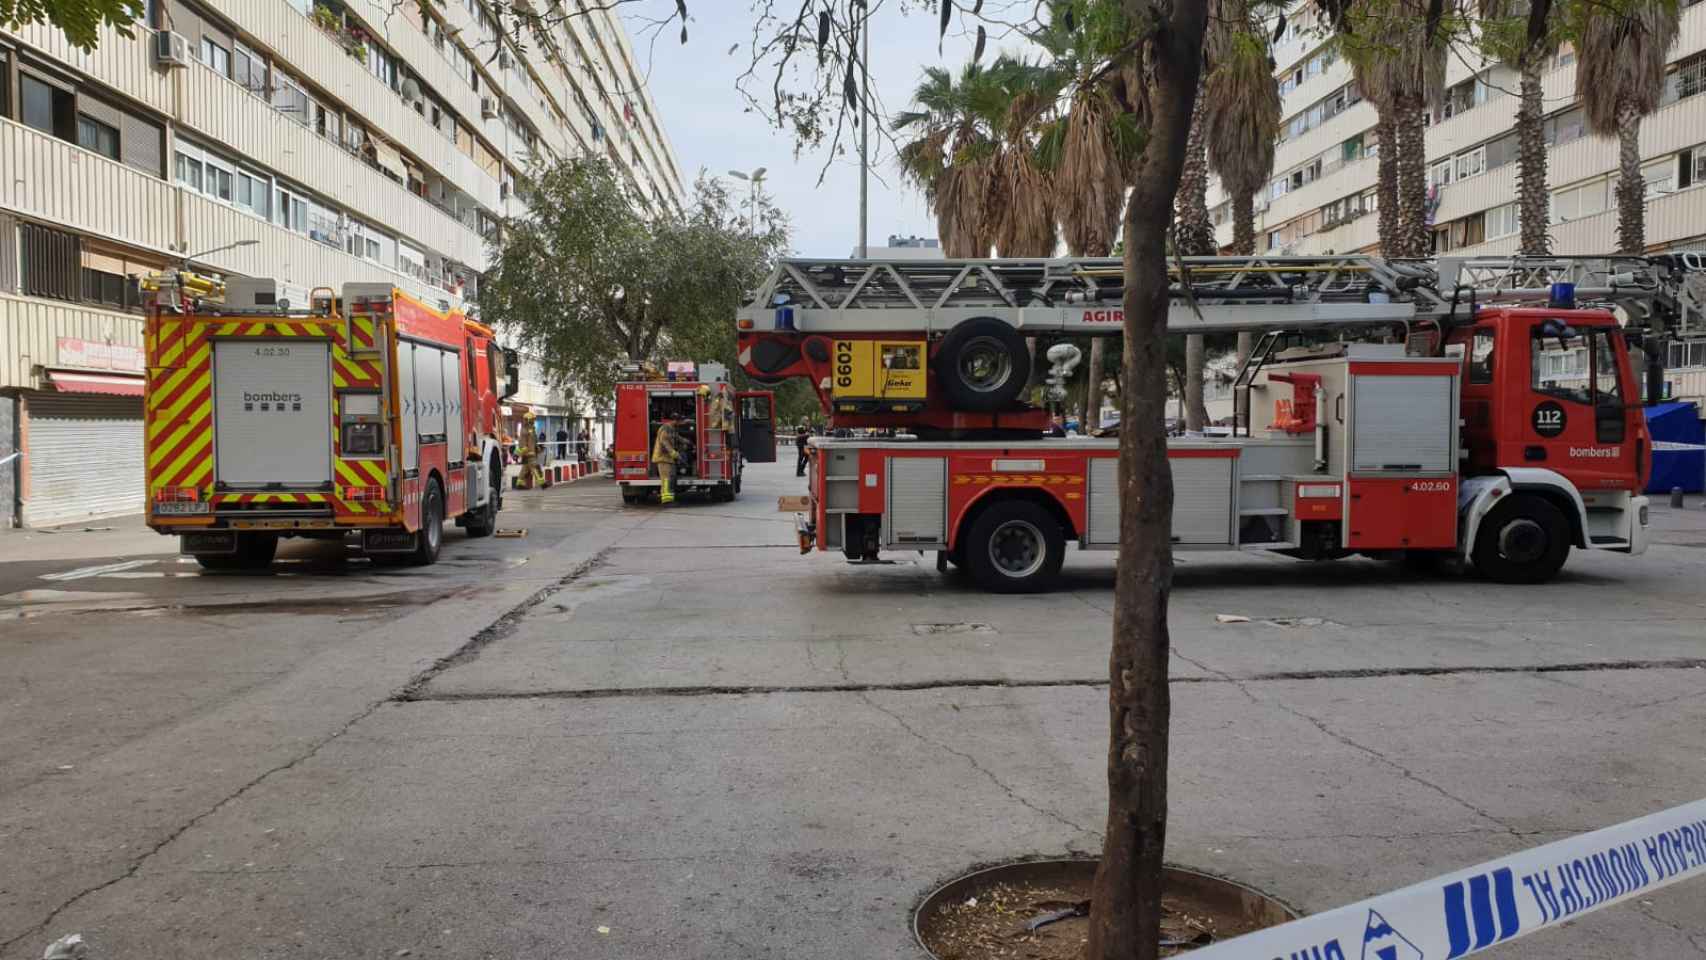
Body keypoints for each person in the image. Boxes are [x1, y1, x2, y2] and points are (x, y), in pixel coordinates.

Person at [652, 416, 681, 505]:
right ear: (675, 421)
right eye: (679, 422)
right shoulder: (665, 429)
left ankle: (669, 499)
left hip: (668, 459)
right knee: (665, 480)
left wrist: (688, 442)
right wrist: (673, 452)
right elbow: (663, 441)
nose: (680, 424)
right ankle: (666, 500)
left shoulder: (671, 429)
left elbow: (678, 438)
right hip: (662, 458)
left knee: (670, 479)